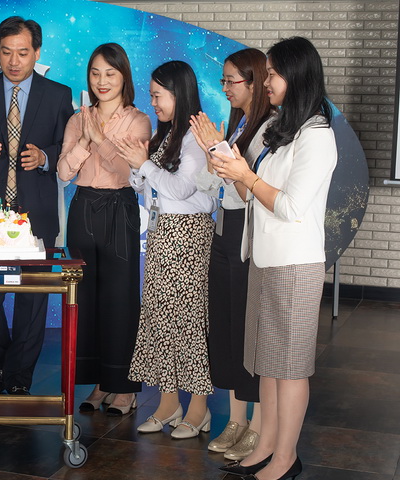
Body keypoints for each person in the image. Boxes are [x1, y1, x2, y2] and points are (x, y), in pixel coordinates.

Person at [211, 36, 336, 480]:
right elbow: (251, 197)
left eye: (274, 74)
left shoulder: (317, 136)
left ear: (297, 76)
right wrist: (228, 166)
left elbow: (290, 206)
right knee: (265, 362)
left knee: (290, 368)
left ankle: (286, 459)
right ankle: (264, 447)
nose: (266, 82)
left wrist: (245, 175)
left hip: (294, 264)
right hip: (263, 258)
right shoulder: (281, 129)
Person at [0, 16, 73, 395]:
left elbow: (68, 147)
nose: (14, 61)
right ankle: (2, 361)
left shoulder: (58, 94)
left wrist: (46, 157)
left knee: (32, 299)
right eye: (6, 52)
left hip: (38, 212)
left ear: (37, 52)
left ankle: (19, 377)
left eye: (23, 53)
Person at [117, 61, 215, 439]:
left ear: (179, 93)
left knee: (189, 321)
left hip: (188, 236)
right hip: (162, 235)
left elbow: (179, 189)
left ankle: (199, 409)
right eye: (152, 95)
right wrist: (138, 168)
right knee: (160, 318)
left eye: (159, 95)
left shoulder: (195, 138)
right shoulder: (166, 134)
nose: (154, 102)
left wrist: (144, 165)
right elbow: (149, 189)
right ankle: (168, 403)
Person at [189, 48, 274, 459]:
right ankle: (236, 419)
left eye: (231, 80)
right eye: (222, 80)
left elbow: (251, 191)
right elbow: (216, 185)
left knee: (247, 328)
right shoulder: (239, 123)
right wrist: (214, 152)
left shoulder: (271, 127)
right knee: (225, 325)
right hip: (224, 228)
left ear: (254, 81)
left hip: (250, 233)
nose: (224, 88)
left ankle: (259, 425)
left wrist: (218, 150)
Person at [57, 43, 150, 416]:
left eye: (110, 73)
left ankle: (124, 388)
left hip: (119, 207)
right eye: (95, 73)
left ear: (124, 76)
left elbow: (130, 172)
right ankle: (99, 382)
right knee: (87, 297)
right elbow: (64, 172)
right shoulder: (78, 119)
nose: (102, 81)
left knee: (119, 297)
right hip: (82, 207)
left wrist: (99, 140)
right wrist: (84, 140)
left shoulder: (138, 121)